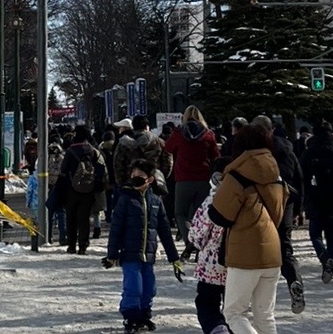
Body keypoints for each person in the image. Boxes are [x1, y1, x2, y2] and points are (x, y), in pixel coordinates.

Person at [208, 122, 288, 334]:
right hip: (272, 250)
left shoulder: (236, 175)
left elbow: (219, 215)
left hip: (244, 252)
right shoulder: (276, 174)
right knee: (265, 315)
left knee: (234, 313)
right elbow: (280, 213)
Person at [103, 158, 183, 334]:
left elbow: (164, 231)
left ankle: (144, 315)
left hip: (149, 254)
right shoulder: (125, 199)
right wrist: (112, 254)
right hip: (130, 253)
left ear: (150, 180)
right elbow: (116, 229)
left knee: (149, 287)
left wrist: (174, 257)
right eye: (133, 176)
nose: (135, 179)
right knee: (133, 287)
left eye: (140, 176)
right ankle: (131, 317)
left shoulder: (156, 201)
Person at [248, 115, 304, 313]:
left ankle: (253, 296)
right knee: (284, 248)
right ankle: (294, 281)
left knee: (254, 249)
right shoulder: (285, 147)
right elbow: (298, 176)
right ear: (271, 130)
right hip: (284, 201)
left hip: (257, 204)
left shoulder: (249, 150)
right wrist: (298, 208)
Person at [164, 105, 220, 253]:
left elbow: (168, 148)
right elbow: (215, 155)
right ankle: (200, 242)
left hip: (183, 178)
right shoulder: (208, 135)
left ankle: (189, 240)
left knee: (180, 213)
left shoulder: (178, 133)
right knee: (199, 213)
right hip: (203, 178)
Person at [299, 122, 333, 283]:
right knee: (331, 235)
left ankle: (323, 256)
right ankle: (331, 265)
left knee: (315, 234)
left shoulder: (308, 154)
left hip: (314, 199)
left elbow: (301, 178)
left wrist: (303, 200)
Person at [188, 157, 233, 334]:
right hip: (238, 262)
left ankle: (218, 330)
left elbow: (196, 234)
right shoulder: (245, 199)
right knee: (233, 308)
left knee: (207, 303)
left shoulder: (212, 201)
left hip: (211, 264)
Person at [58, 124, 105, 254]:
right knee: (84, 219)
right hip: (88, 189)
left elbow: (63, 169)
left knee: (71, 218)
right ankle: (83, 245)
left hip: (71, 189)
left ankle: (72, 245)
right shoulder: (93, 150)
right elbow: (101, 168)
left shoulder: (70, 151)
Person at [113, 115, 173, 192]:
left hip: (130, 181)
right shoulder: (158, 141)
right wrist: (161, 176)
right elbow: (168, 160)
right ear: (146, 126)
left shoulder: (123, 143)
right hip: (153, 180)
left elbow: (117, 164)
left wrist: (121, 182)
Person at [45, 137, 67, 244]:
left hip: (48, 187)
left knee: (49, 214)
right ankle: (63, 237)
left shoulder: (45, 159)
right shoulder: (63, 159)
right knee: (61, 213)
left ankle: (48, 236)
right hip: (61, 188)